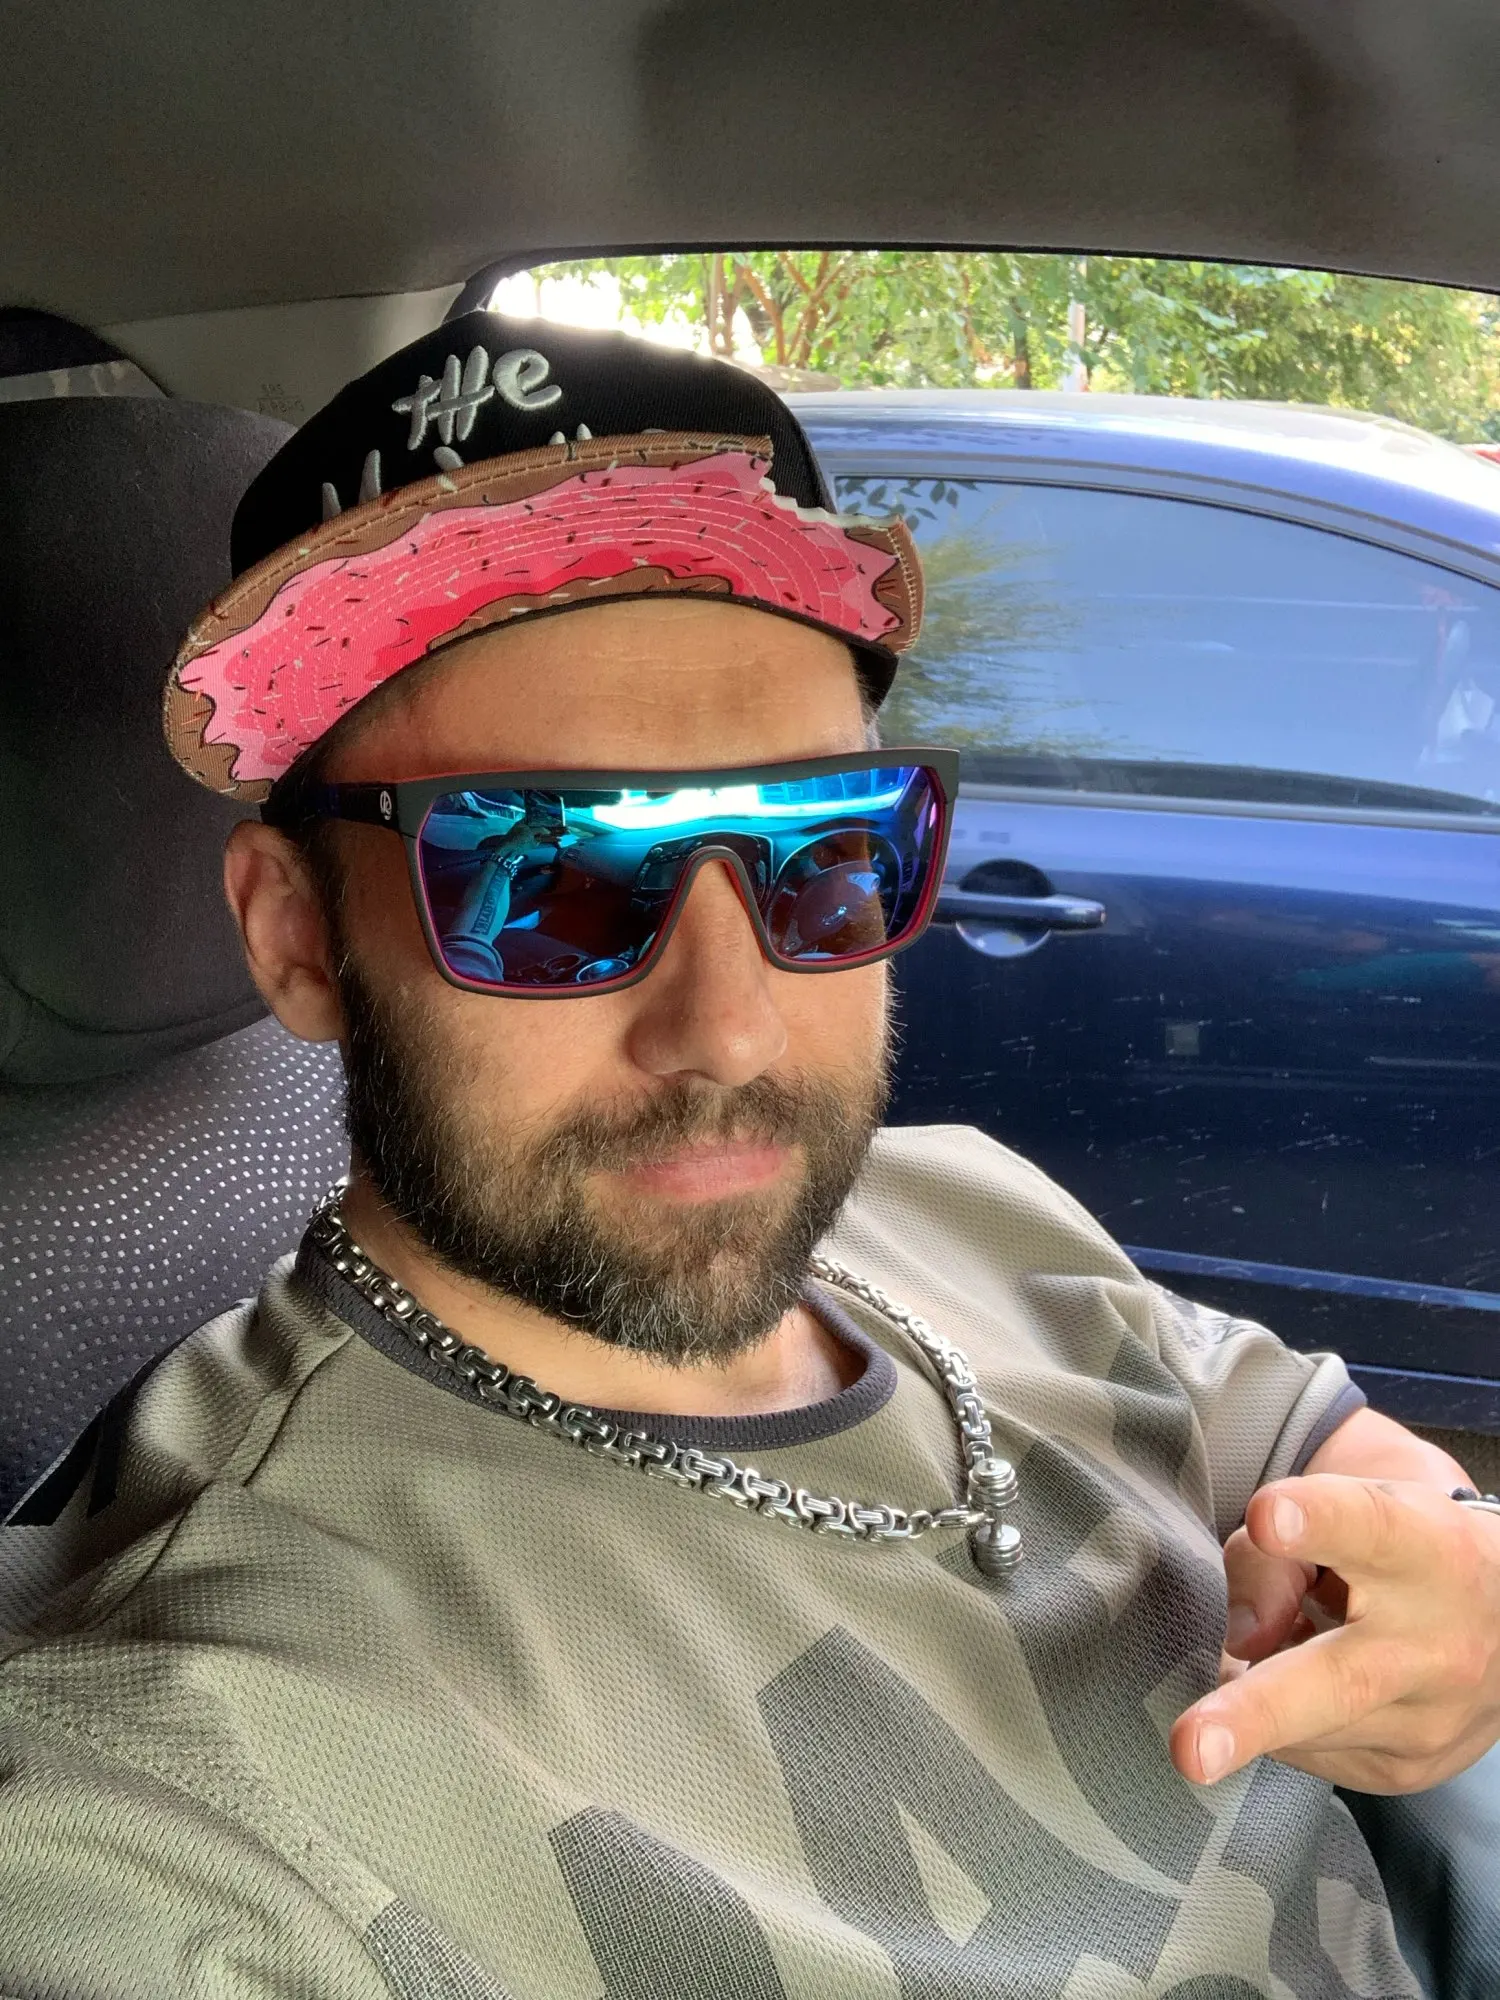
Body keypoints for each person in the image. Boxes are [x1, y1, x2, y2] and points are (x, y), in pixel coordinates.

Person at [0, 314, 1496, 2000]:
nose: (729, 1032)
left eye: (819, 850)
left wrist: (1449, 1565)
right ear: (296, 937)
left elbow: (1308, 1438)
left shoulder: (962, 1203)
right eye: (548, 878)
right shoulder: (185, 1774)